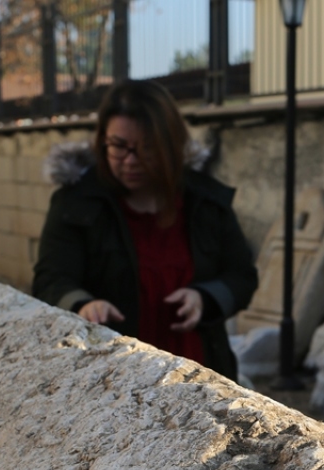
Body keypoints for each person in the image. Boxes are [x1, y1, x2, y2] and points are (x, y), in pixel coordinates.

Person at [32, 80, 258, 381]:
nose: (131, 161)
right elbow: (50, 279)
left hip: (200, 373)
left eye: (147, 148)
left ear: (171, 144)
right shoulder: (76, 203)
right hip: (113, 375)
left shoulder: (205, 201)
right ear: (102, 141)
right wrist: (83, 304)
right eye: (118, 146)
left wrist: (206, 298)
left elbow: (242, 276)